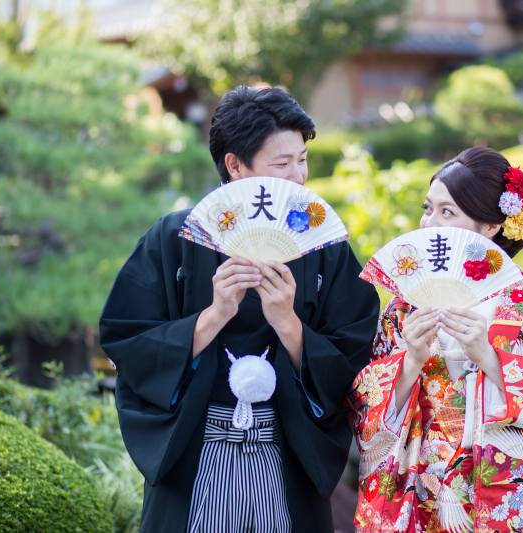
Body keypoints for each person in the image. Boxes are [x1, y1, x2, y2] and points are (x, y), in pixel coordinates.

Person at [100, 86, 380, 533]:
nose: (298, 176)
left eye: (302, 159)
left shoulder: (323, 246)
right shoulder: (175, 237)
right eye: (282, 164)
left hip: (287, 450)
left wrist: (289, 325)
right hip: (196, 448)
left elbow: (357, 353)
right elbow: (127, 339)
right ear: (234, 165)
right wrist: (213, 316)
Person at [347, 147, 523, 533]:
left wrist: (490, 358)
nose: (429, 223)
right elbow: (363, 406)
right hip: (422, 488)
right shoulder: (404, 305)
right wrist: (410, 361)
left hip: (504, 492)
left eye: (447, 212)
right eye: (427, 208)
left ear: (491, 226)